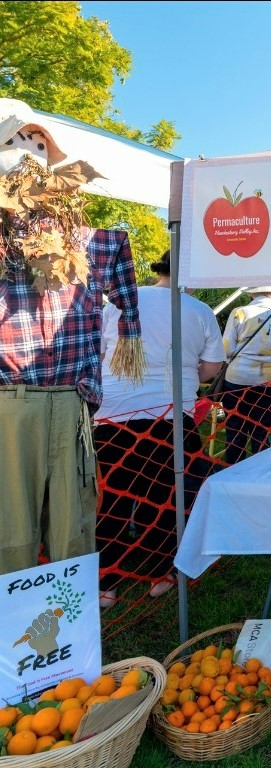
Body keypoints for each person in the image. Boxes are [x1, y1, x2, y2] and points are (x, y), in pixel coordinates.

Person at [0, 109, 143, 577]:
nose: (28, 159)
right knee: (9, 537)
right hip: (8, 403)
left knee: (73, 534)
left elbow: (125, 296)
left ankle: (69, 638)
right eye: (16, 147)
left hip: (70, 402)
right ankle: (10, 638)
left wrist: (129, 337)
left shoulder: (93, 243)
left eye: (37, 148)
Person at [94, 250, 224, 606]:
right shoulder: (198, 310)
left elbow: (99, 353)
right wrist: (183, 378)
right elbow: (212, 366)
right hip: (169, 415)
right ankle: (158, 572)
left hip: (113, 414)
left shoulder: (118, 302)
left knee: (115, 496)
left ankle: (107, 581)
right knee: (164, 495)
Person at [220, 285, 271, 464]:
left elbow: (227, 349)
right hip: (267, 380)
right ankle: (261, 472)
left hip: (237, 378)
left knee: (235, 429)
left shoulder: (239, 312)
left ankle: (234, 472)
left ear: (251, 293)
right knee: (261, 429)